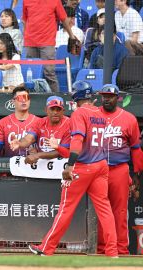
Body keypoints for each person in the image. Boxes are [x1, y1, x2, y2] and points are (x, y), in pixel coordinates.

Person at [28, 80, 118, 257]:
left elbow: (77, 141)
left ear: (75, 97)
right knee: (105, 209)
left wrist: (69, 164)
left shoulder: (79, 113)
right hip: (101, 165)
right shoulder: (101, 113)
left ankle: (46, 248)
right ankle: (112, 251)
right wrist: (60, 147)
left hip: (82, 166)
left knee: (65, 208)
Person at [96, 84, 143, 255]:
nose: (107, 98)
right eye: (104, 95)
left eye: (110, 96)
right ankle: (102, 249)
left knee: (120, 211)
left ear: (118, 98)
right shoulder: (93, 116)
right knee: (101, 211)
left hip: (119, 169)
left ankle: (121, 249)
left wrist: (136, 175)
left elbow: (136, 149)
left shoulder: (129, 118)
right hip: (97, 168)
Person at [22, 0, 77, 92]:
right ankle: (31, 98)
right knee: (31, 73)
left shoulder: (55, 1)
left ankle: (55, 98)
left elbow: (63, 19)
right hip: (30, 43)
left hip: (47, 42)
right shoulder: (26, 1)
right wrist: (26, 36)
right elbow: (24, 20)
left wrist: (71, 35)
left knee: (49, 73)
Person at [9, 96, 71, 164]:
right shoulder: (40, 122)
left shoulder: (69, 124)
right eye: (52, 109)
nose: (55, 112)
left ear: (63, 111)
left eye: (58, 109)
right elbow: (29, 138)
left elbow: (63, 152)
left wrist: (38, 155)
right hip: (42, 165)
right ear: (46, 110)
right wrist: (20, 144)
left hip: (61, 165)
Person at [0, 86, 41, 157]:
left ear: (29, 100)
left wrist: (38, 152)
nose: (24, 100)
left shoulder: (39, 121)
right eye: (20, 98)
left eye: (26, 97)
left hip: (32, 165)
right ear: (13, 101)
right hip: (10, 165)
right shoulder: (3, 122)